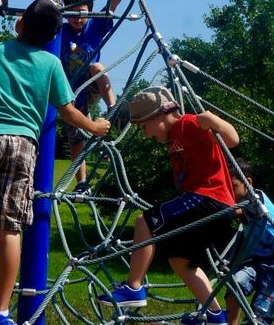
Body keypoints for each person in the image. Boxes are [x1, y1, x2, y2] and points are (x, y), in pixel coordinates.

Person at [0, 0, 111, 325]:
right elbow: (68, 111)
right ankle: (2, 310)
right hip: (24, 145)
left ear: (19, 23)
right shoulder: (50, 63)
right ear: (53, 36)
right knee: (10, 228)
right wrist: (95, 126)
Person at [96, 87, 239, 325]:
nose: (145, 134)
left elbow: (232, 140)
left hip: (209, 198)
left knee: (145, 222)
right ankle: (214, 315)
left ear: (159, 115)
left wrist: (211, 119)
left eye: (145, 127)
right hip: (211, 206)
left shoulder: (188, 124)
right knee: (179, 261)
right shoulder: (174, 140)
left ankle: (133, 288)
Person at [60, 0, 137, 193]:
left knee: (96, 67)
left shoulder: (95, 26)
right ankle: (82, 183)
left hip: (91, 84)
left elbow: (113, 2)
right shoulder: (59, 31)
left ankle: (114, 105)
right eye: (72, 13)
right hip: (70, 92)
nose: (78, 18)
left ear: (90, 12)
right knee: (76, 137)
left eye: (82, 12)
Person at [224, 159, 274, 325]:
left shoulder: (257, 199)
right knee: (235, 285)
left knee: (260, 316)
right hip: (256, 262)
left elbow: (237, 212)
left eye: (233, 186)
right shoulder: (240, 202)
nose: (229, 192)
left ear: (248, 182)